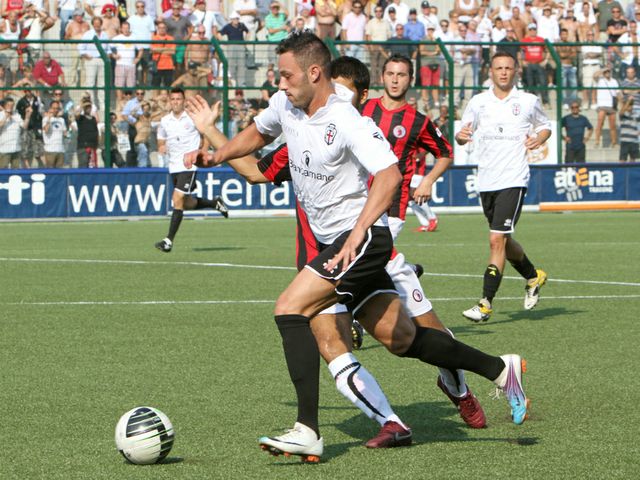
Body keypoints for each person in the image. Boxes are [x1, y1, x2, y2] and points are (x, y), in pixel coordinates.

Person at [188, 33, 530, 462]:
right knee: (402, 339)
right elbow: (257, 135)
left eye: (287, 74)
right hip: (341, 242)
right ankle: (500, 369)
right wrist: (214, 156)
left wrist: (356, 234)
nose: (281, 82)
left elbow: (388, 176)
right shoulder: (286, 104)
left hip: (361, 239)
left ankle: (307, 430)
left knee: (290, 309)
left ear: (315, 73)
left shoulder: (347, 119)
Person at [455, 51, 550, 323]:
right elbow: (463, 135)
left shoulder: (528, 101)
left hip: (514, 178)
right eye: (499, 68)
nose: (504, 72)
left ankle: (485, 303)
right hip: (486, 181)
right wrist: (461, 137)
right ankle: (533, 276)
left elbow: (544, 127)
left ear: (516, 71)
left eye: (509, 68)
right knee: (504, 241)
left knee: (496, 239)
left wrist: (540, 139)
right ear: (491, 71)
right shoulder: (478, 102)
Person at [361, 54, 451, 244]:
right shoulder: (362, 109)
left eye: (401, 75)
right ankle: (409, 271)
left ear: (410, 80)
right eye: (390, 74)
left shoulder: (418, 121)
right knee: (365, 262)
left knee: (369, 260)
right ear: (382, 77)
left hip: (393, 205)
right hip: (357, 199)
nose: (394, 80)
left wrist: (428, 181)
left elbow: (446, 153)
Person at [154, 88, 228, 253]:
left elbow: (206, 134)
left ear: (183, 100)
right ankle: (214, 202)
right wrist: (161, 146)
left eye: (178, 99)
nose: (175, 102)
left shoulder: (191, 117)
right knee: (186, 203)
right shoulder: (165, 121)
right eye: (172, 99)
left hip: (189, 164)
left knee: (177, 198)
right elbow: (160, 140)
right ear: (169, 101)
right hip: (173, 166)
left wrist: (204, 151)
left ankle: (168, 241)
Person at [78, 16, 109, 110]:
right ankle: (91, 104)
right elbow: (80, 47)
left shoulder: (105, 35)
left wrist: (110, 55)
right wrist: (86, 55)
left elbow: (108, 48)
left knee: (102, 84)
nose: (97, 25)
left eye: (99, 24)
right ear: (93, 24)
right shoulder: (88, 34)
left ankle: (102, 104)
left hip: (102, 60)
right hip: (91, 60)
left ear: (101, 24)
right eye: (95, 24)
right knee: (90, 83)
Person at [593, 66, 619, 146]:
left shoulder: (614, 81)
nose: (607, 73)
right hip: (602, 104)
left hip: (611, 105)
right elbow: (595, 76)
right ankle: (597, 141)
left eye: (608, 72)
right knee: (600, 123)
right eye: (606, 72)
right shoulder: (600, 80)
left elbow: (617, 92)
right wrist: (603, 69)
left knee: (612, 125)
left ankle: (614, 142)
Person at [0, 97, 28, 169]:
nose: (11, 107)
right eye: (9, 105)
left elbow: (24, 126)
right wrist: (6, 117)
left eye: (12, 105)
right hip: (4, 149)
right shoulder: (1, 114)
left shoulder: (17, 115)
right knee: (3, 170)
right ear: (4, 106)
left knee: (16, 171)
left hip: (16, 148)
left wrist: (28, 115)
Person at [42, 99, 67, 168]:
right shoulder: (45, 119)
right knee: (50, 173)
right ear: (50, 108)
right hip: (50, 150)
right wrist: (49, 119)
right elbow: (46, 130)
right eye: (54, 108)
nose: (55, 110)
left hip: (60, 150)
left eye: (57, 108)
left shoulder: (62, 120)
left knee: (59, 173)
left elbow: (65, 134)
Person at [74, 101, 99, 168]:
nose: (88, 109)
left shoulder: (93, 119)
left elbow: (95, 130)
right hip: (83, 146)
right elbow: (76, 115)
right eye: (86, 107)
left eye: (89, 107)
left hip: (92, 146)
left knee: (93, 166)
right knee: (83, 165)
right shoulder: (81, 118)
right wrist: (82, 105)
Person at [151, 21, 176, 87]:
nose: (162, 29)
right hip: (157, 65)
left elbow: (173, 51)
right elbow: (153, 50)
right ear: (158, 29)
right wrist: (166, 49)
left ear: (166, 29)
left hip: (168, 66)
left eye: (163, 28)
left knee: (168, 86)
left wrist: (159, 49)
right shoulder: (154, 38)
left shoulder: (171, 38)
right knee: (156, 86)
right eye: (160, 28)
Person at [618, 95, 639, 161]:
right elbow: (621, 112)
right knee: (622, 160)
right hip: (625, 141)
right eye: (629, 105)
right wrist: (629, 101)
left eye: (631, 105)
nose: (630, 107)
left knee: (633, 160)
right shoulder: (623, 115)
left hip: (634, 141)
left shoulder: (636, 115)